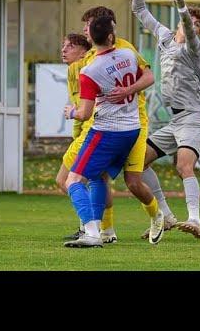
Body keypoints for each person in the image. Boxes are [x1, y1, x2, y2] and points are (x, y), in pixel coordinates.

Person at [62, 16, 164, 247]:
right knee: (99, 178)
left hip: (106, 131)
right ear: (111, 36)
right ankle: (101, 228)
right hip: (131, 129)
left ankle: (90, 231)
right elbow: (146, 75)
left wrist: (70, 113)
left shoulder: (90, 71)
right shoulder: (127, 55)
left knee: (73, 180)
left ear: (91, 38)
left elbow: (85, 113)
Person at [132, 0, 200, 239]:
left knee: (183, 165)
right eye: (194, 23)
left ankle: (195, 220)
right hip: (175, 119)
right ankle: (165, 216)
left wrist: (181, 3)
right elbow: (138, 10)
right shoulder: (165, 37)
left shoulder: (194, 49)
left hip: (193, 117)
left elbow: (188, 29)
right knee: (138, 164)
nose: (194, 27)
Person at [56, 33, 92, 237]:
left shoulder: (80, 68)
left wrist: (77, 129)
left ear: (83, 52)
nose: (64, 50)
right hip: (96, 132)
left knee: (65, 180)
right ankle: (98, 228)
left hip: (93, 133)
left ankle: (91, 227)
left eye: (70, 46)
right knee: (96, 182)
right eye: (64, 45)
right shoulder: (75, 69)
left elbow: (83, 109)